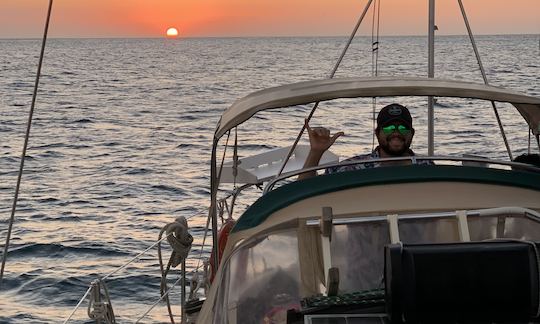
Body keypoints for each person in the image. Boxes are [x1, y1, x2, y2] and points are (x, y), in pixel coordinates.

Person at [298, 103, 430, 180]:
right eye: (389, 128)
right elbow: (304, 193)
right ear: (377, 133)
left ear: (411, 133)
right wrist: (316, 152)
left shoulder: (428, 168)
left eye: (402, 128)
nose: (396, 133)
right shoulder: (350, 169)